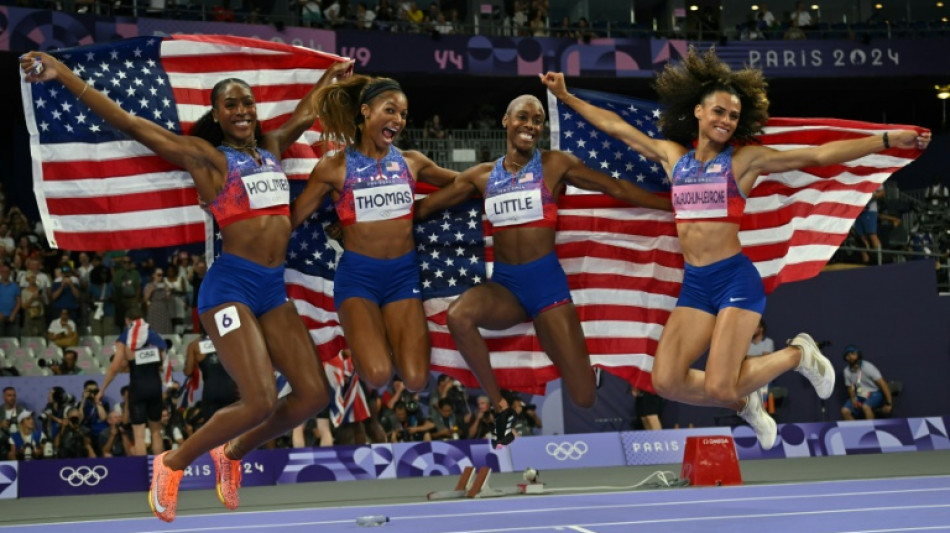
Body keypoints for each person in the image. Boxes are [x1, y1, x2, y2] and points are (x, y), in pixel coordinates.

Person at [541, 48, 930, 450]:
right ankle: (746, 400)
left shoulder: (744, 162)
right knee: (666, 380)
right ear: (697, 112)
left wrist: (884, 139)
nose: (726, 120)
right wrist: (567, 98)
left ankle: (799, 354)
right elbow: (618, 129)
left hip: (734, 281)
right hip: (696, 286)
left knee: (720, 382)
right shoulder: (674, 158)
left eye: (732, 115)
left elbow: (817, 155)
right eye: (719, 112)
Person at [22, 51, 352, 521]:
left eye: (247, 103)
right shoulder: (207, 158)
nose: (241, 111)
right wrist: (64, 74)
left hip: (271, 290)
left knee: (313, 395)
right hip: (229, 288)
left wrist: (330, 76)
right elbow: (131, 123)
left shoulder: (273, 149)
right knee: (258, 398)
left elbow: (305, 112)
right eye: (231, 105)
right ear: (216, 115)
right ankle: (172, 463)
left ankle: (233, 452)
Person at [413, 94, 671, 447]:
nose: (531, 125)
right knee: (458, 315)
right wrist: (359, 226)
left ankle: (581, 365)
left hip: (547, 288)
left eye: (537, 120)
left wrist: (673, 204)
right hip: (505, 288)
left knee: (584, 397)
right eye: (523, 117)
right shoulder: (481, 176)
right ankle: (502, 408)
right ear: (506, 120)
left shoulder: (555, 164)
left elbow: (616, 187)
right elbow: (424, 208)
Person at [291, 75, 457, 395]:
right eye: (391, 110)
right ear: (366, 111)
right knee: (379, 375)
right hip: (358, 279)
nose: (398, 120)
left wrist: (515, 174)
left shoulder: (412, 162)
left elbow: (463, 184)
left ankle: (376, 337)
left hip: (402, 276)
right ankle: (359, 346)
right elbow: (292, 219)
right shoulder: (334, 168)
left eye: (404, 115)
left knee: (416, 380)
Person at [98, 310, 167, 457]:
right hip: (155, 387)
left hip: (138, 388)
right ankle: (162, 475)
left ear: (127, 321)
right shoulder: (154, 336)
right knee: (156, 433)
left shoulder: (125, 339)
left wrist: (102, 389)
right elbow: (162, 363)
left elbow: (115, 367)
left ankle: (144, 477)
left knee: (139, 435)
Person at [183, 332, 238, 420]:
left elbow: (188, 372)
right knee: (232, 426)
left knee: (212, 427)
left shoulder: (194, 345)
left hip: (210, 390)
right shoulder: (228, 340)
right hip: (228, 389)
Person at [841, 345, 893, 420]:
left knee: (866, 407)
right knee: (845, 411)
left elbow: (883, 384)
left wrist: (889, 403)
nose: (850, 357)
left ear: (858, 354)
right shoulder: (846, 371)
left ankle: (870, 430)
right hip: (860, 394)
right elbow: (850, 387)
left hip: (875, 393)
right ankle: (855, 431)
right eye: (847, 355)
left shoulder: (868, 367)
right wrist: (853, 399)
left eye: (852, 353)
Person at [853, 186, 885, 264]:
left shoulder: (874, 177)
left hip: (869, 211)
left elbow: (882, 193)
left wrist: (869, 197)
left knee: (872, 235)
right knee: (860, 238)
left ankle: (879, 262)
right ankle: (866, 263)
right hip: (856, 211)